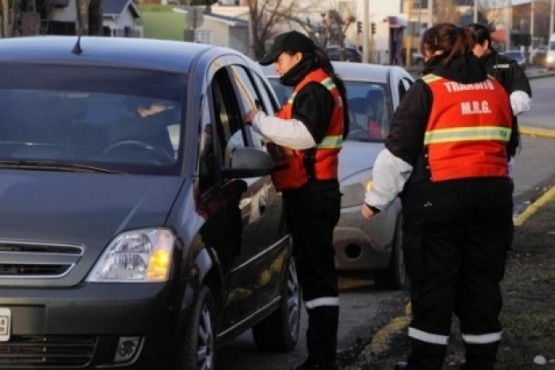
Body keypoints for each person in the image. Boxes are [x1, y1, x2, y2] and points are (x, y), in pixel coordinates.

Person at [361, 23, 516, 370]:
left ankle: (426, 362)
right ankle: (481, 362)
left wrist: (375, 202)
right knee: (482, 283)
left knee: (434, 284)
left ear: (430, 52)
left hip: (438, 203)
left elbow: (398, 153)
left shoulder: (427, 89)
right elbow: (510, 145)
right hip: (492, 201)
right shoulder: (496, 89)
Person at [244, 30, 349, 370]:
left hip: (313, 195)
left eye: (279, 58)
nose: (276, 66)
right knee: (314, 277)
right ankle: (321, 357)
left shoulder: (316, 89)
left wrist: (258, 121)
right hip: (310, 193)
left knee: (318, 280)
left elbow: (303, 136)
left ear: (298, 57)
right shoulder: (313, 87)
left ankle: (322, 360)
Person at [467, 22, 532, 168]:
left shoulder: (507, 66)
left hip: (501, 145)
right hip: (468, 145)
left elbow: (522, 99)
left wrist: (491, 110)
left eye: (471, 47)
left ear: (484, 44)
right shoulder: (461, 67)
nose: (467, 52)